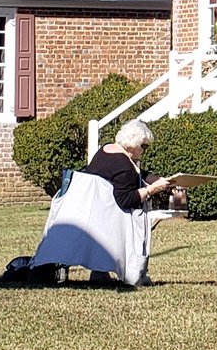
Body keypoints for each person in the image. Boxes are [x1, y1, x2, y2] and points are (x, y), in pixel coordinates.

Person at [25, 120, 179, 288]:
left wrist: (156, 179)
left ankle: (100, 273)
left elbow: (133, 174)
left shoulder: (107, 150)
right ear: (133, 145)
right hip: (108, 218)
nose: (145, 151)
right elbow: (127, 199)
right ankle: (130, 272)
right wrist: (153, 189)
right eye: (144, 146)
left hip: (85, 210)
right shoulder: (124, 166)